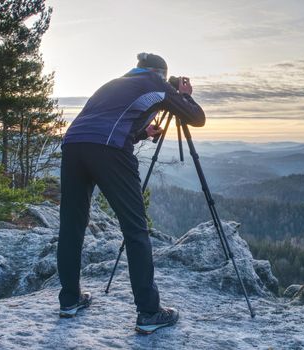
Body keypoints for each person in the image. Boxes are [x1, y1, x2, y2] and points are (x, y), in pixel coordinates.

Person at [57, 52, 205, 334]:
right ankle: (149, 312)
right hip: (109, 150)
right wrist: (184, 95)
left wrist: (141, 132)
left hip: (73, 145)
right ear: (161, 73)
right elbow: (196, 119)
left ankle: (69, 300)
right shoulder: (155, 82)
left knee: (71, 226)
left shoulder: (113, 83)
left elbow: (108, 121)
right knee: (136, 230)